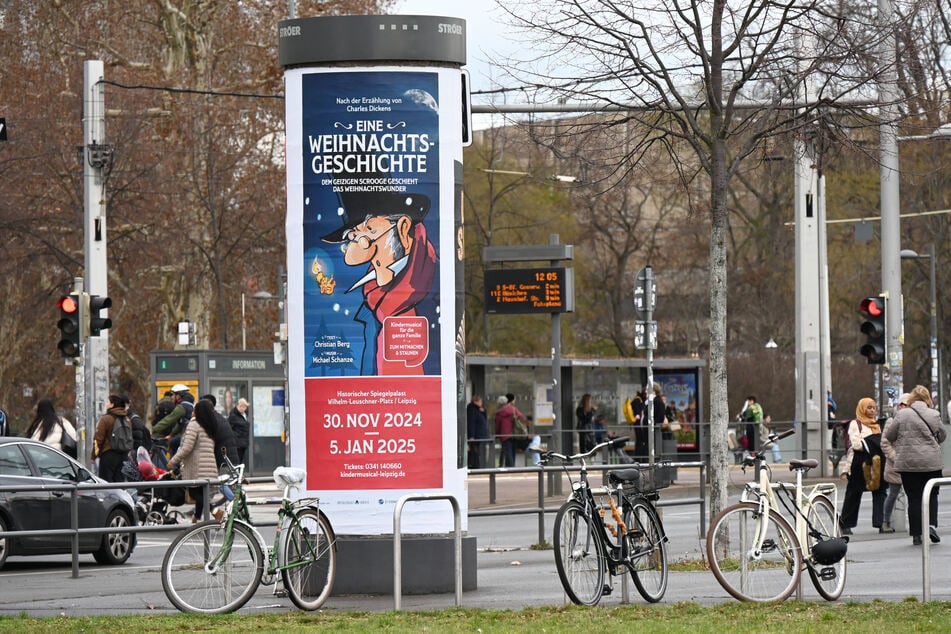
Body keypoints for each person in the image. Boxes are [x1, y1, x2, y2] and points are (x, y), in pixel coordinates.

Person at [321, 184, 439, 376]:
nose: (357, 240)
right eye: (352, 233)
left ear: (402, 228)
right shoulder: (370, 300)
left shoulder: (436, 289)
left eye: (368, 229)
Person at [884, 384, 946, 545]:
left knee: (914, 498)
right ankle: (931, 525)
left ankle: (917, 534)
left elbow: (890, 436)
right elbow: (943, 435)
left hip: (908, 463)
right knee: (932, 495)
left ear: (912, 398)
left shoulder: (902, 414)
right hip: (931, 463)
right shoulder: (934, 414)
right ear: (927, 398)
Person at [167, 399, 220, 522]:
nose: (192, 411)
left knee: (194, 493)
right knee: (201, 493)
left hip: (196, 467)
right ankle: (196, 518)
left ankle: (214, 510)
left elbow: (186, 448)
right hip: (209, 466)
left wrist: (172, 461)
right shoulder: (209, 425)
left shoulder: (194, 424)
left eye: (195, 409)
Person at [838, 398, 886, 535]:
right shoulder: (855, 423)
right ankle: (846, 523)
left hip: (877, 461)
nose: (872, 410)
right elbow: (856, 443)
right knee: (854, 492)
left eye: (874, 408)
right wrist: (873, 442)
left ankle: (880, 523)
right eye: (869, 408)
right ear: (862, 408)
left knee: (880, 491)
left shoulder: (877, 424)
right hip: (860, 461)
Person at [879, 393, 910, 534]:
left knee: (915, 495)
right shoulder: (892, 421)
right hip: (895, 465)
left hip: (911, 464)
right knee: (892, 495)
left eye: (907, 405)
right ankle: (885, 522)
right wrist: (895, 458)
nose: (904, 407)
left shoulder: (913, 421)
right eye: (902, 404)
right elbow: (885, 443)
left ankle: (918, 523)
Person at [92, 394, 130, 483]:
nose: (106, 404)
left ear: (112, 405)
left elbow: (98, 439)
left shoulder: (106, 419)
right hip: (124, 455)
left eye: (108, 402)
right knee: (119, 483)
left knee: (106, 483)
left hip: (108, 454)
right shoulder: (127, 419)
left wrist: (94, 456)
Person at [152, 384, 196, 457]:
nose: (172, 397)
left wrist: (153, 430)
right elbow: (180, 423)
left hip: (188, 435)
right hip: (191, 434)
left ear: (179, 396)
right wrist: (171, 435)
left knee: (173, 444)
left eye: (173, 395)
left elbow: (168, 420)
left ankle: (175, 465)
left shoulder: (182, 407)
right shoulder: (190, 404)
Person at [494, 393, 526, 468]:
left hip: (505, 435)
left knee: (507, 452)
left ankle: (509, 467)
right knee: (512, 452)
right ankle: (512, 467)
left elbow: (498, 425)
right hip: (515, 433)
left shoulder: (499, 413)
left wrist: (497, 434)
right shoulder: (513, 409)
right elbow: (522, 417)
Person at [466, 395, 489, 469]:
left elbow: (484, 420)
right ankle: (474, 466)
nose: (481, 403)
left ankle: (475, 465)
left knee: (476, 451)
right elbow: (471, 423)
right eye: (480, 401)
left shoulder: (478, 410)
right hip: (475, 435)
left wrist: (484, 412)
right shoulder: (472, 410)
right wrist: (471, 435)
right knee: (474, 451)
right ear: (475, 401)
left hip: (479, 434)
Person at [228, 398, 251, 465]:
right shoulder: (233, 415)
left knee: (240, 460)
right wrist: (236, 435)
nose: (242, 408)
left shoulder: (244, 415)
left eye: (244, 406)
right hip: (237, 443)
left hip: (243, 442)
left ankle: (239, 474)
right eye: (240, 406)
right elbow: (229, 428)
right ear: (237, 406)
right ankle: (236, 474)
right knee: (237, 461)